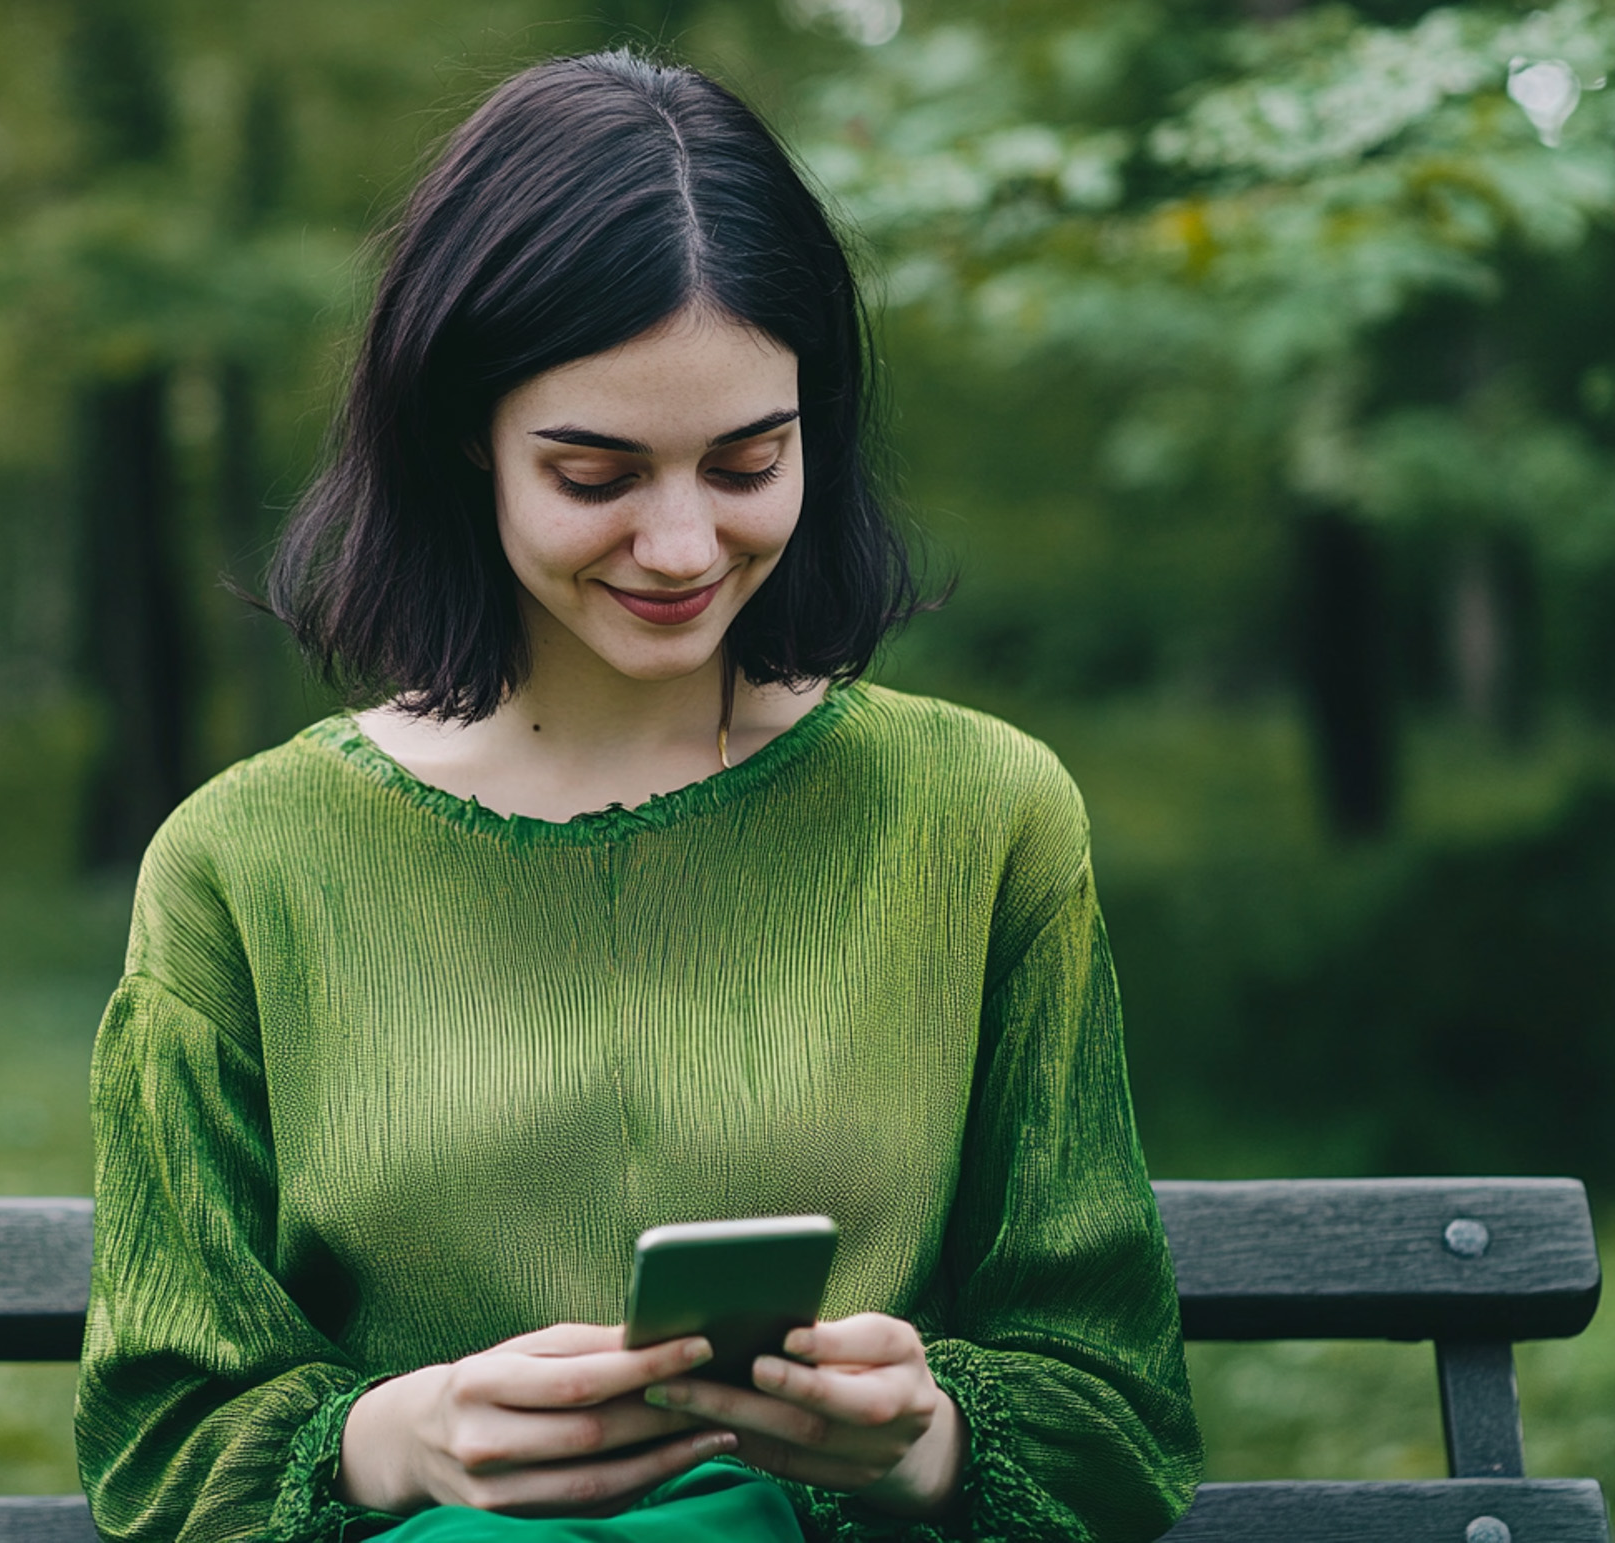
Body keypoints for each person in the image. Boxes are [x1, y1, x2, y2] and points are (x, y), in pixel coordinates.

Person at [76, 48, 1202, 1543]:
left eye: (747, 462)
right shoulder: (245, 862)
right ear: (459, 440)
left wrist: (922, 1437)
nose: (681, 547)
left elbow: (1116, 1421)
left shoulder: (981, 816)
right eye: (595, 473)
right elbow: (160, 1447)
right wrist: (397, 1439)